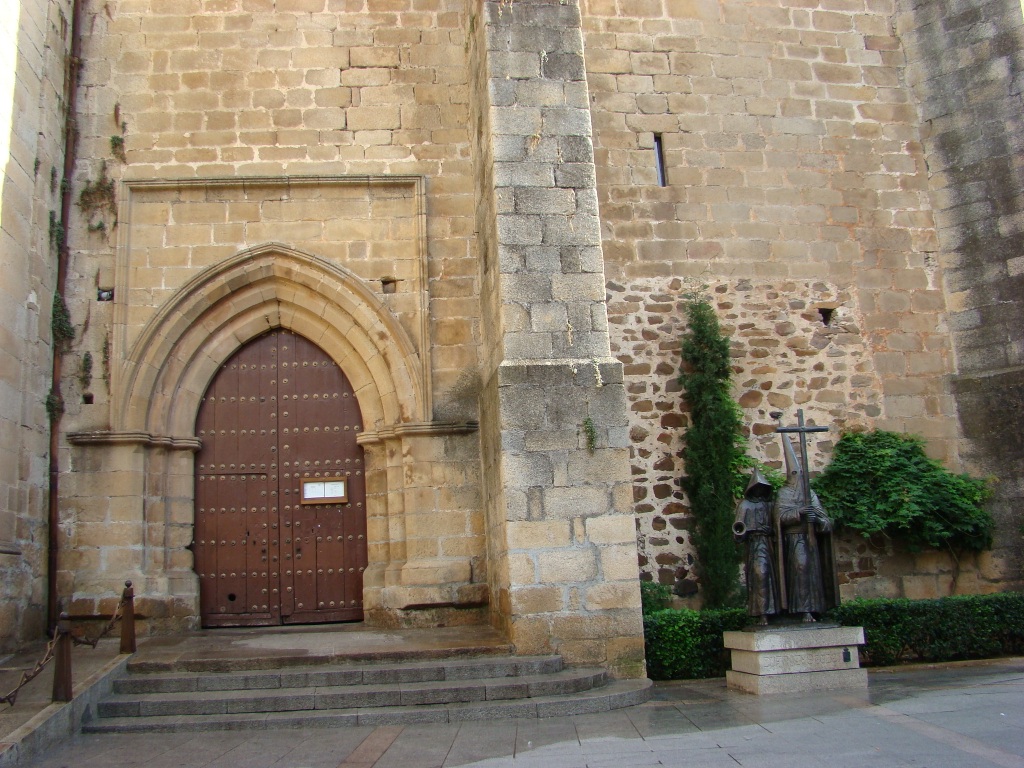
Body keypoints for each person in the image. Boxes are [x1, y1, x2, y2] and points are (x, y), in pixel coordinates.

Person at [773, 436, 835, 621]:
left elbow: (826, 520)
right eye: (794, 473)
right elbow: (779, 518)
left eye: (798, 472)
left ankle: (814, 609)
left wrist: (817, 520)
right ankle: (802, 609)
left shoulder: (810, 493)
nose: (797, 475)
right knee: (800, 569)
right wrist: (798, 513)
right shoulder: (783, 493)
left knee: (812, 573)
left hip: (810, 540)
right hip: (793, 540)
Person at [733, 468, 780, 625]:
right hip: (754, 545)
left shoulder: (770, 505)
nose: (760, 490)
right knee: (760, 574)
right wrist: (746, 532)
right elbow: (738, 531)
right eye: (757, 486)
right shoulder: (745, 505)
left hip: (770, 545)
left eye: (763, 487)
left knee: (774, 577)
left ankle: (776, 611)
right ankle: (762, 613)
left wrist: (771, 530)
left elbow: (779, 526)